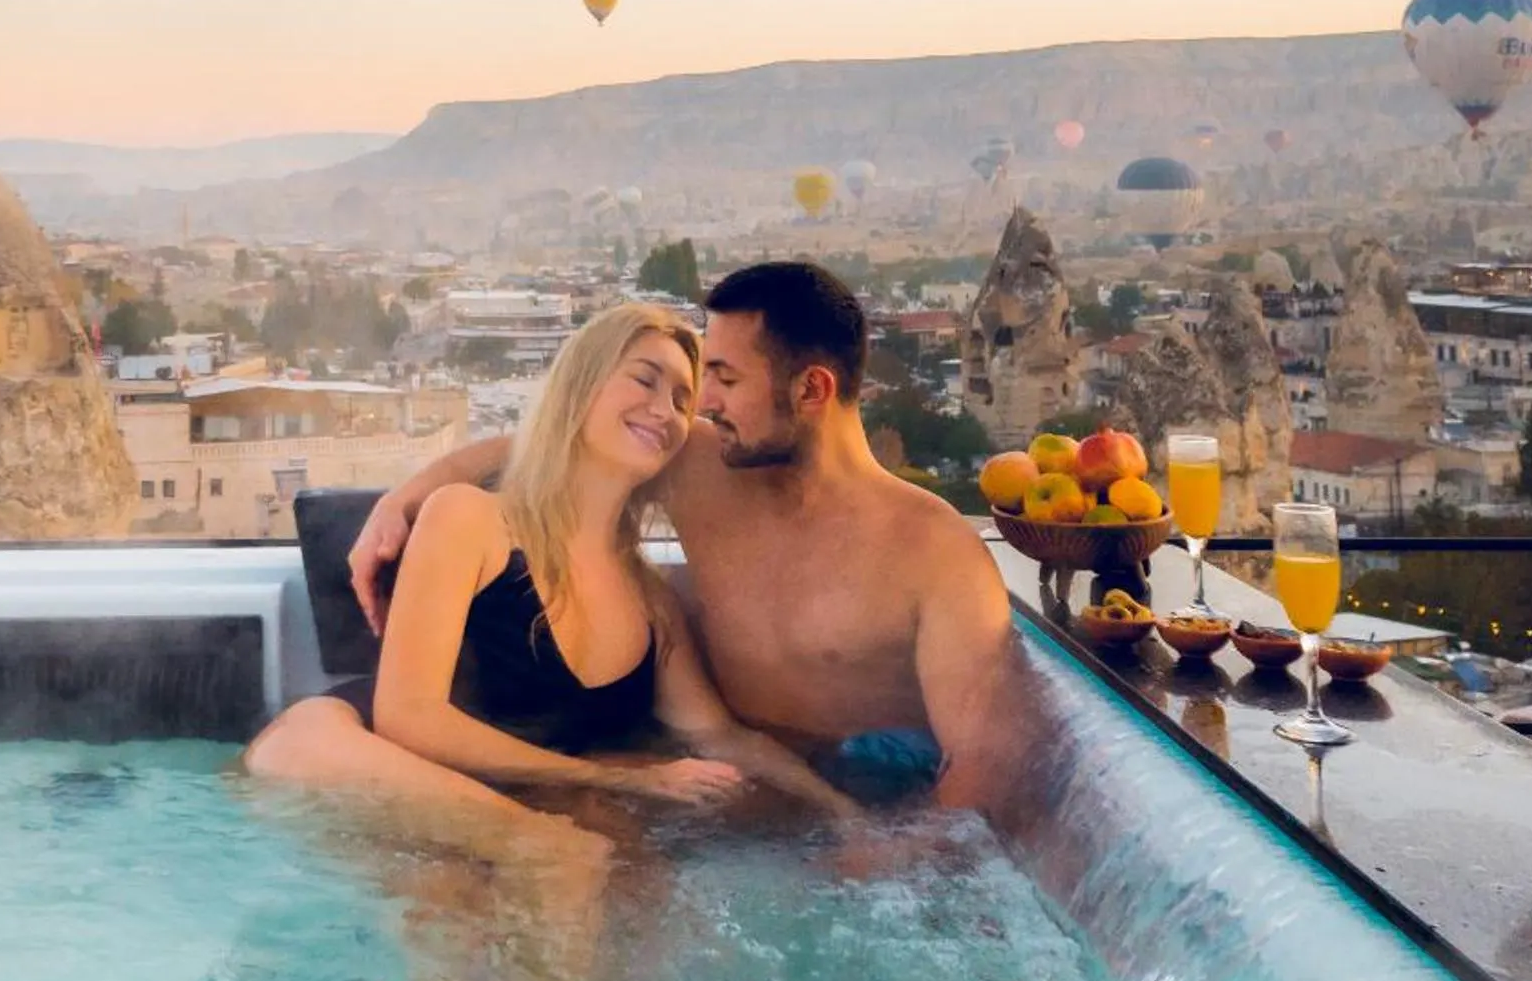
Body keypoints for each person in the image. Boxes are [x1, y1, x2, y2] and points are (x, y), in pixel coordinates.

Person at [349, 261, 1023, 814]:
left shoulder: (936, 552)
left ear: (812, 389)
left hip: (857, 781)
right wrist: (401, 500)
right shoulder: (706, 462)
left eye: (721, 380)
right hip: (708, 777)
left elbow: (982, 763)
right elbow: (552, 439)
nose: (700, 405)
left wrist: (885, 843)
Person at [247, 302, 858, 829]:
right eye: (644, 380)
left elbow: (719, 736)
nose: (663, 410)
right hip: (379, 767)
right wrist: (620, 780)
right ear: (581, 386)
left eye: (680, 399)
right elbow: (409, 720)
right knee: (559, 853)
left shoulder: (649, 603)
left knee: (594, 860)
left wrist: (843, 814)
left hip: (506, 804)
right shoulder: (472, 521)